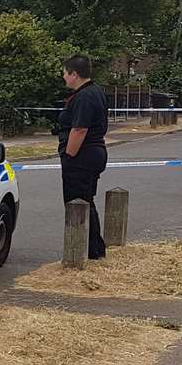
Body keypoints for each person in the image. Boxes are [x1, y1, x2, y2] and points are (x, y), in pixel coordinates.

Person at [56, 54, 108, 260]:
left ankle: (82, 250)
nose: (63, 77)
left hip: (82, 157)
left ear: (74, 74)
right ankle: (94, 248)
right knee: (87, 201)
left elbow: (79, 129)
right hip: (93, 154)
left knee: (76, 203)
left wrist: (69, 156)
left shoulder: (84, 97)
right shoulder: (95, 92)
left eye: (64, 73)